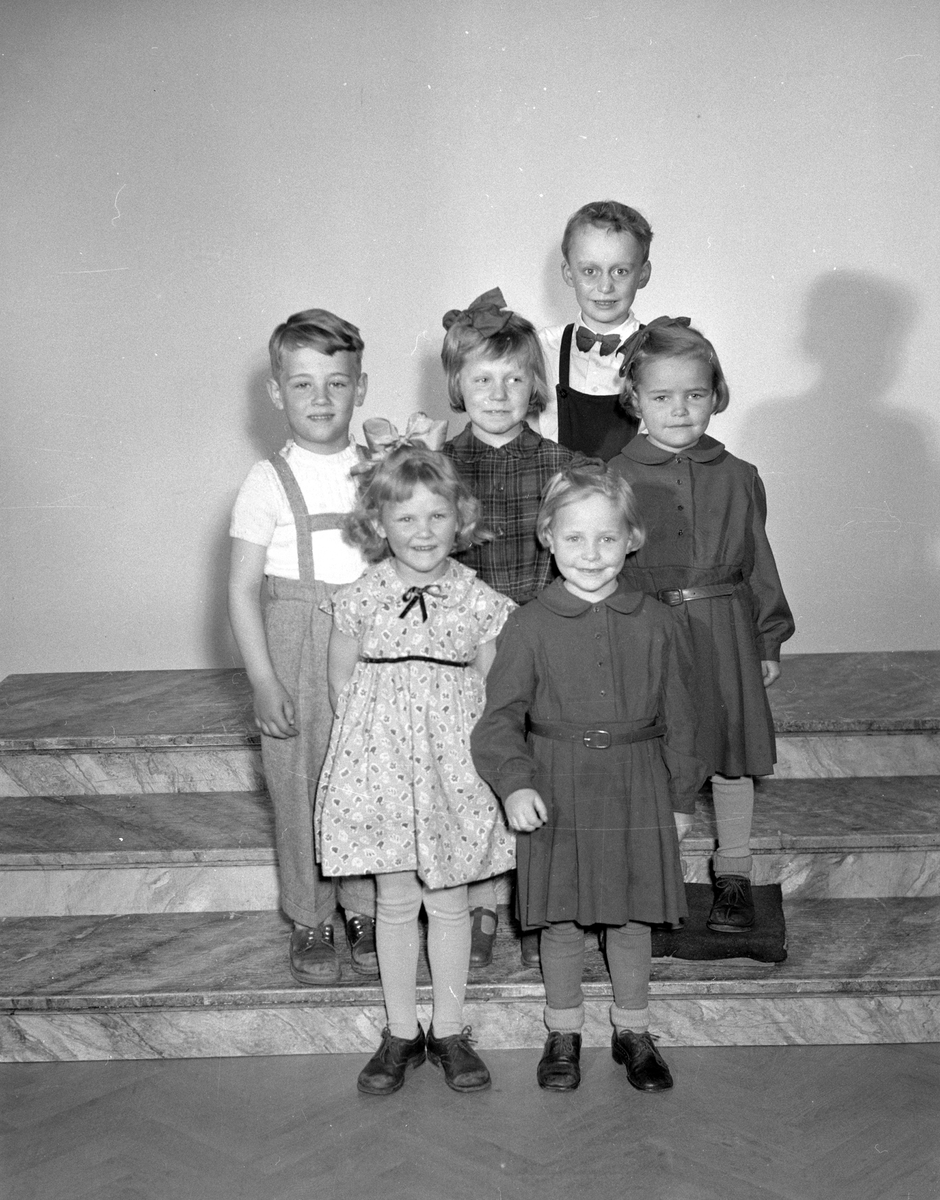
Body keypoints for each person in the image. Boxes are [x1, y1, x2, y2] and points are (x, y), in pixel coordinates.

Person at [471, 462, 706, 1092]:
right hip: (557, 785)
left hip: (638, 784)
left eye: (607, 537)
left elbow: (685, 719)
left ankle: (634, 1031)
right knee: (562, 919)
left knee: (632, 918)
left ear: (633, 539)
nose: (591, 553)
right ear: (548, 537)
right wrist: (515, 783)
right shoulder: (527, 624)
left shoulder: (659, 622)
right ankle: (563, 1032)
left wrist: (681, 797)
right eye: (574, 537)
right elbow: (498, 720)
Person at [316, 442, 516, 1095]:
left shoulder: (476, 598)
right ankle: (401, 1031)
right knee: (396, 900)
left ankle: (450, 1029)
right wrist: (369, 749)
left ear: (460, 519)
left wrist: (465, 747)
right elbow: (341, 679)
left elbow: (492, 681)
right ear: (379, 524)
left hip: (450, 768)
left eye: (437, 516)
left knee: (450, 900)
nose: (423, 531)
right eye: (405, 518)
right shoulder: (363, 595)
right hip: (379, 766)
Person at [609, 317, 795, 933]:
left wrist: (768, 637)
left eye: (695, 394)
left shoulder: (739, 474)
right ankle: (657, 879)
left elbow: (757, 561)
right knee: (659, 751)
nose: (679, 409)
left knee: (731, 753)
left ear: (716, 395)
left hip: (725, 630)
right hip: (648, 630)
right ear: (634, 399)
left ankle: (734, 874)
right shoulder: (612, 476)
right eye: (662, 396)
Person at [228, 309, 376, 987]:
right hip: (294, 642)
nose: (321, 398)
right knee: (299, 784)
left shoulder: (379, 469)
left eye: (337, 383)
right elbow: (240, 590)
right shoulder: (266, 481)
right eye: (303, 383)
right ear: (276, 391)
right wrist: (264, 681)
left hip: (369, 642)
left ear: (360, 388)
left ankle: (365, 907)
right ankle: (309, 914)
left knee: (369, 778)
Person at [440, 287, 574, 969]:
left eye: (513, 379)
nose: (497, 394)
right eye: (482, 379)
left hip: (537, 642)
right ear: (457, 385)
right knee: (472, 772)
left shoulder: (564, 468)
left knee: (538, 770)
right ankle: (482, 902)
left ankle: (539, 904)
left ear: (535, 386)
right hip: (459, 648)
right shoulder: (436, 467)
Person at [536, 200, 653, 460]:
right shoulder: (542, 347)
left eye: (620, 271)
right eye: (590, 271)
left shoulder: (658, 352)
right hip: (558, 484)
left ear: (643, 274)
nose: (605, 287)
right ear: (569, 273)